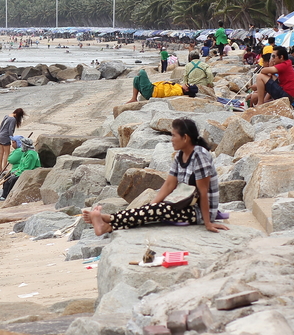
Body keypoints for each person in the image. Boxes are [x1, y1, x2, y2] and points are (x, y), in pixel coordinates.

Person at [85, 118, 228, 235]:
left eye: (174, 135)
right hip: (183, 203)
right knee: (152, 210)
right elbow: (169, 185)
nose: (171, 139)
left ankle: (108, 221)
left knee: (157, 211)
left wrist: (208, 223)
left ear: (185, 138)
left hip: (199, 211)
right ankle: (108, 223)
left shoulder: (200, 156)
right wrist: (152, 205)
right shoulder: (180, 155)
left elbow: (203, 192)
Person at [127, 69, 198, 102]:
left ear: (187, 90)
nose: (185, 84)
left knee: (142, 72)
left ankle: (135, 97)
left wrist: (167, 84)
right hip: (152, 88)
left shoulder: (179, 91)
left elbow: (168, 94)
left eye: (187, 85)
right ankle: (134, 98)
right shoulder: (179, 87)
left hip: (151, 91)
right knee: (136, 79)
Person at [0, 108, 25, 172]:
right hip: (5, 136)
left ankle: (0, 168)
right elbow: (10, 130)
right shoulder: (13, 119)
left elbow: (1, 126)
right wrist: (12, 139)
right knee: (7, 153)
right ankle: (4, 168)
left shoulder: (6, 116)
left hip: (0, 135)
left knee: (1, 152)